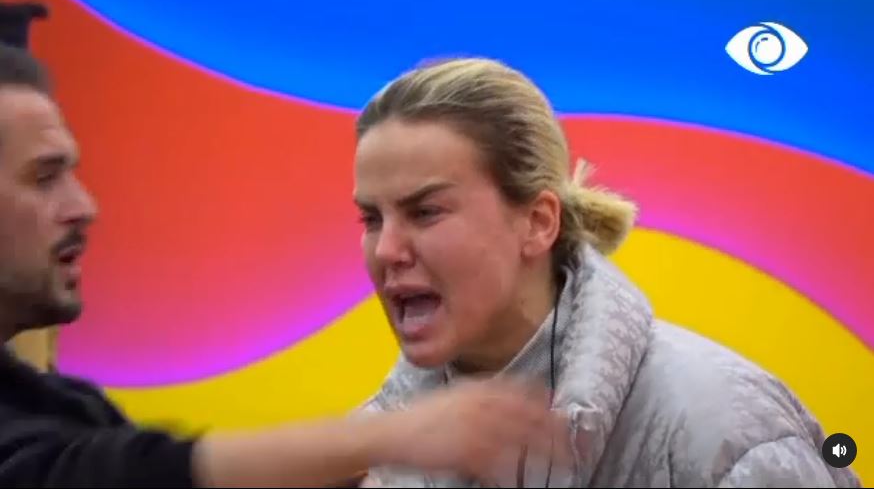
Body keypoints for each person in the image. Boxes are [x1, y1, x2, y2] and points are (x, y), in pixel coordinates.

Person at [0, 43, 573, 487]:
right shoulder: (396, 438)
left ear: (539, 221)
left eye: (425, 211)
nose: (83, 206)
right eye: (44, 177)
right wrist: (383, 440)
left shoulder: (64, 406)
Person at [351, 57, 862, 487]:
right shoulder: (368, 456)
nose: (387, 250)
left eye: (426, 212)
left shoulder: (724, 435)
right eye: (372, 219)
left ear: (538, 222)